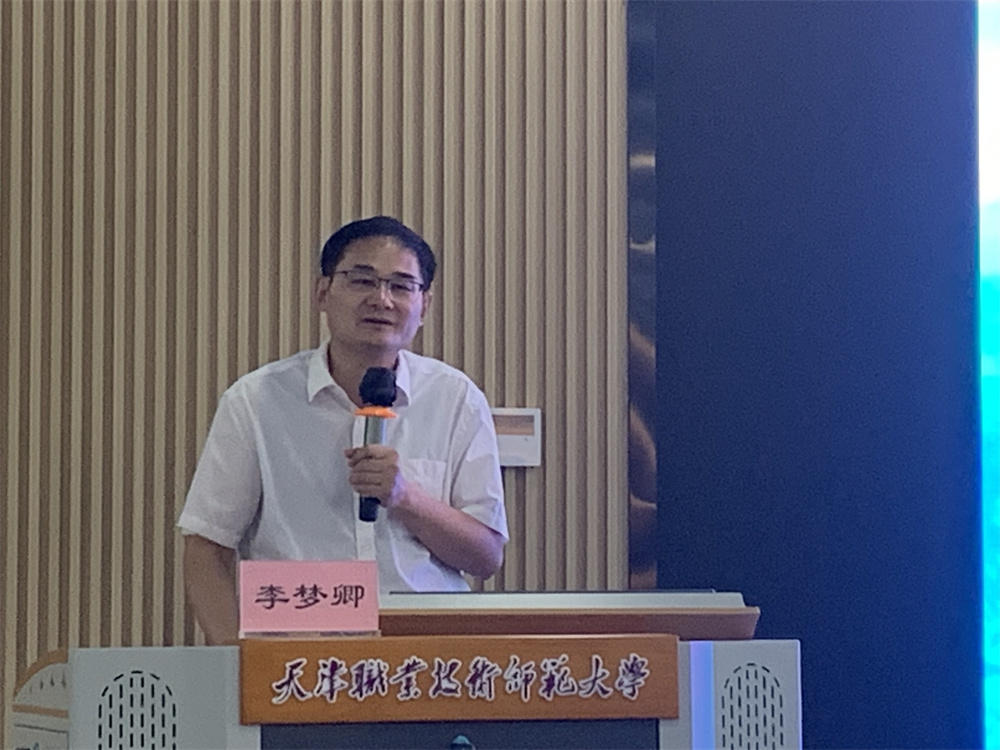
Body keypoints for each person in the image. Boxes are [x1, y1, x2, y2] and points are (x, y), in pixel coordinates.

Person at [178, 216, 508, 645]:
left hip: (423, 652)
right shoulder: (256, 400)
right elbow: (206, 547)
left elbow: (485, 557)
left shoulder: (456, 399)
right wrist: (239, 660)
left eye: (401, 286)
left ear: (424, 305)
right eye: (362, 280)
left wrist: (405, 497)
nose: (381, 299)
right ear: (322, 292)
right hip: (297, 651)